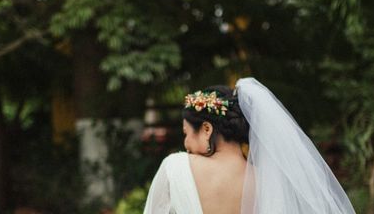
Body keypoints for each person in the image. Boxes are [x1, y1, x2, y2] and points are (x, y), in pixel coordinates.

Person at [143, 77, 356, 214]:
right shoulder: (269, 182)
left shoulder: (175, 168)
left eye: (186, 133)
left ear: (206, 129)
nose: (186, 143)